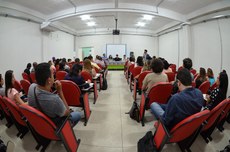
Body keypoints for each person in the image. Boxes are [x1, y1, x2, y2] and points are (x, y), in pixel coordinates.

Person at [27, 63, 81, 127]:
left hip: (40, 123)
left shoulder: (31, 87)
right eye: (53, 74)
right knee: (78, 114)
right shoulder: (55, 100)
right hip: (55, 125)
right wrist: (60, 92)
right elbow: (68, 113)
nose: (54, 76)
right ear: (49, 80)